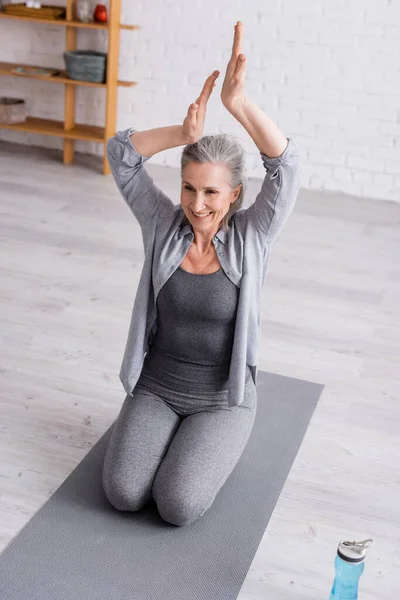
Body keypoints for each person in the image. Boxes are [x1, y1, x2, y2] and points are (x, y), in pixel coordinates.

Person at [102, 21, 301, 526]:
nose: (196, 203)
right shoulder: (162, 225)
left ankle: (212, 445)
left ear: (234, 194)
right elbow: (120, 156)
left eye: (211, 192)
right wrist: (181, 134)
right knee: (124, 493)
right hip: (157, 385)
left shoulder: (253, 236)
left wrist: (238, 104)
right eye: (189, 188)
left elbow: (290, 167)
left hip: (221, 398)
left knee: (178, 505)